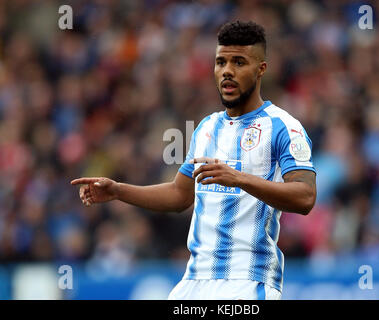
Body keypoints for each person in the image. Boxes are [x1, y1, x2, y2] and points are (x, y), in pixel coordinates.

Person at [71, 21, 316, 300]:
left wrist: (239, 178)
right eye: (220, 62)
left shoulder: (284, 126)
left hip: (247, 282)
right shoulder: (207, 128)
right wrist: (117, 190)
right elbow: (179, 194)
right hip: (195, 282)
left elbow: (305, 196)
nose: (227, 71)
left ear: (261, 69)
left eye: (239, 62)